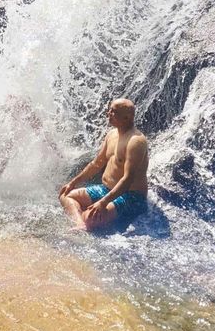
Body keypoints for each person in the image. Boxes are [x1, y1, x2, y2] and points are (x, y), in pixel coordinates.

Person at [58, 97, 148, 231]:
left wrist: (103, 202)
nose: (108, 114)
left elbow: (127, 179)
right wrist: (73, 183)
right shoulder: (112, 135)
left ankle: (87, 222)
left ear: (127, 117)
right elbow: (97, 163)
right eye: (110, 110)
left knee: (90, 218)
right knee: (66, 195)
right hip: (106, 189)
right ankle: (80, 224)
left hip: (131, 196)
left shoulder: (136, 142)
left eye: (114, 112)